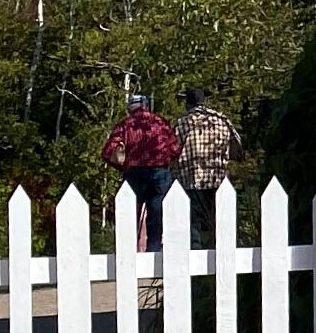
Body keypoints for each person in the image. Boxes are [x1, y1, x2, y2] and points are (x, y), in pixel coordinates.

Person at [102, 94, 181, 253]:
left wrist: (122, 166)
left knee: (130, 216)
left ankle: (128, 254)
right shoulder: (160, 123)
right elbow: (175, 149)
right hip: (159, 172)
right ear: (145, 106)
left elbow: (108, 152)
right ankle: (154, 253)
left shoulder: (124, 125)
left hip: (134, 173)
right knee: (156, 217)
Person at [177, 88, 242, 200]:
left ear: (188, 104)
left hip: (191, 179)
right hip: (217, 178)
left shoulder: (183, 123)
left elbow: (173, 149)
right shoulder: (222, 120)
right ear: (204, 102)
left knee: (197, 216)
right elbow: (237, 146)